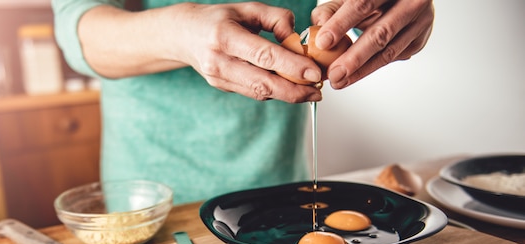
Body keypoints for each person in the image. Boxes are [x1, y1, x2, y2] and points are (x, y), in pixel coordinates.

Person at [52, 0, 434, 204]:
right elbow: (80, 30)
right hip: (153, 201)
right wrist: (180, 33)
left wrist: (397, 10)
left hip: (280, 185)